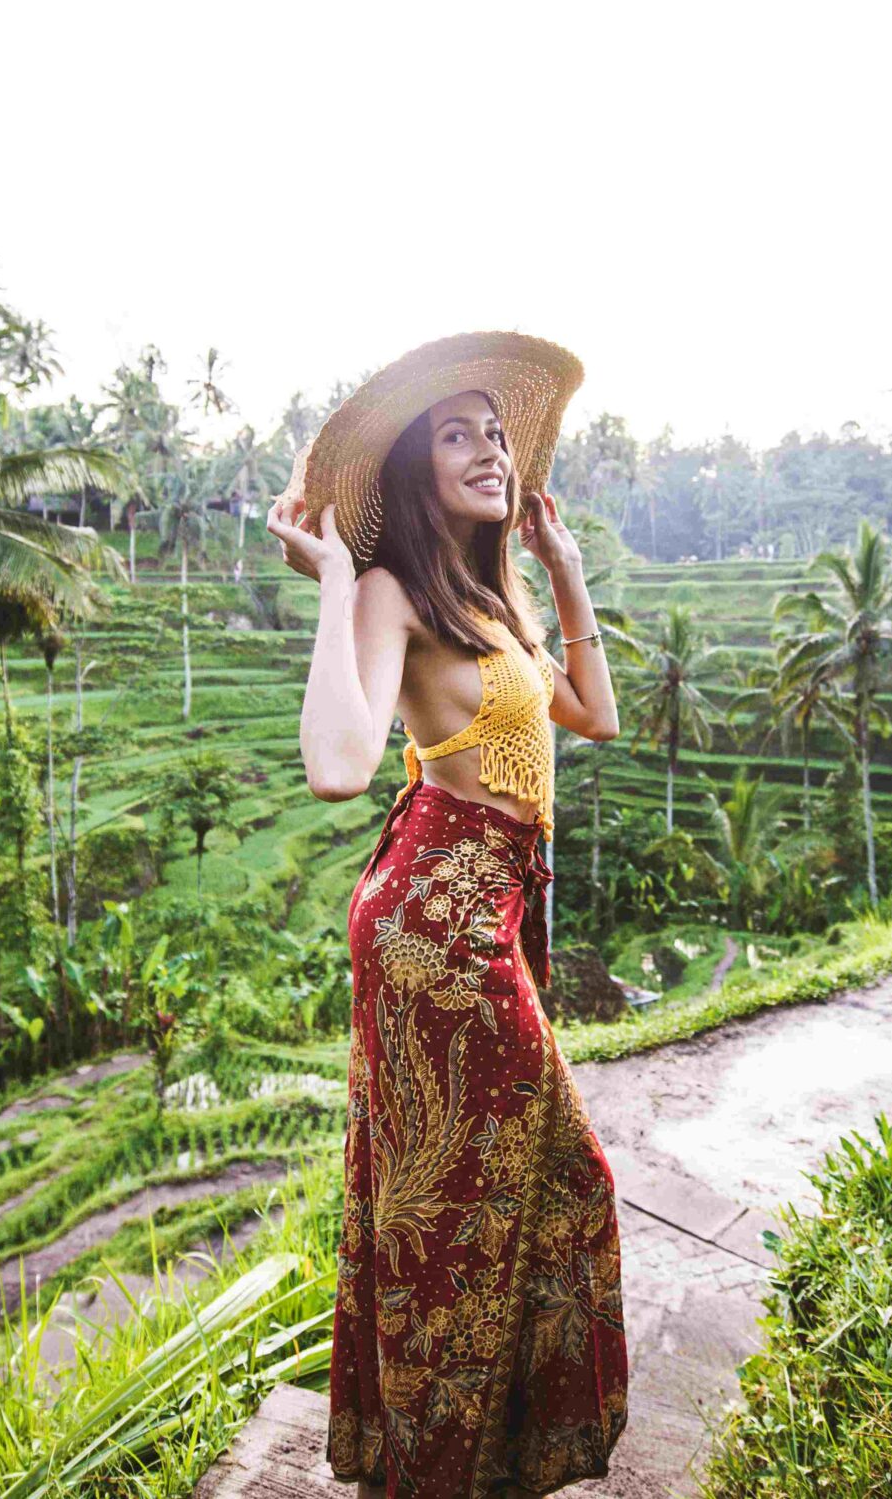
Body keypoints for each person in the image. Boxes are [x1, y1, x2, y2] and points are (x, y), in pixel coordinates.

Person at [265, 331, 629, 1497]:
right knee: (458, 1205)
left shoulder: (489, 594)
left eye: (497, 432)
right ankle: (438, 1465)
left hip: (487, 906)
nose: (489, 450)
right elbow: (336, 765)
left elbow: (592, 714)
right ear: (414, 472)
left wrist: (563, 573)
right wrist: (333, 586)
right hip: (433, 919)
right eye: (457, 434)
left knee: (503, 1191)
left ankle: (470, 1457)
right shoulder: (389, 588)